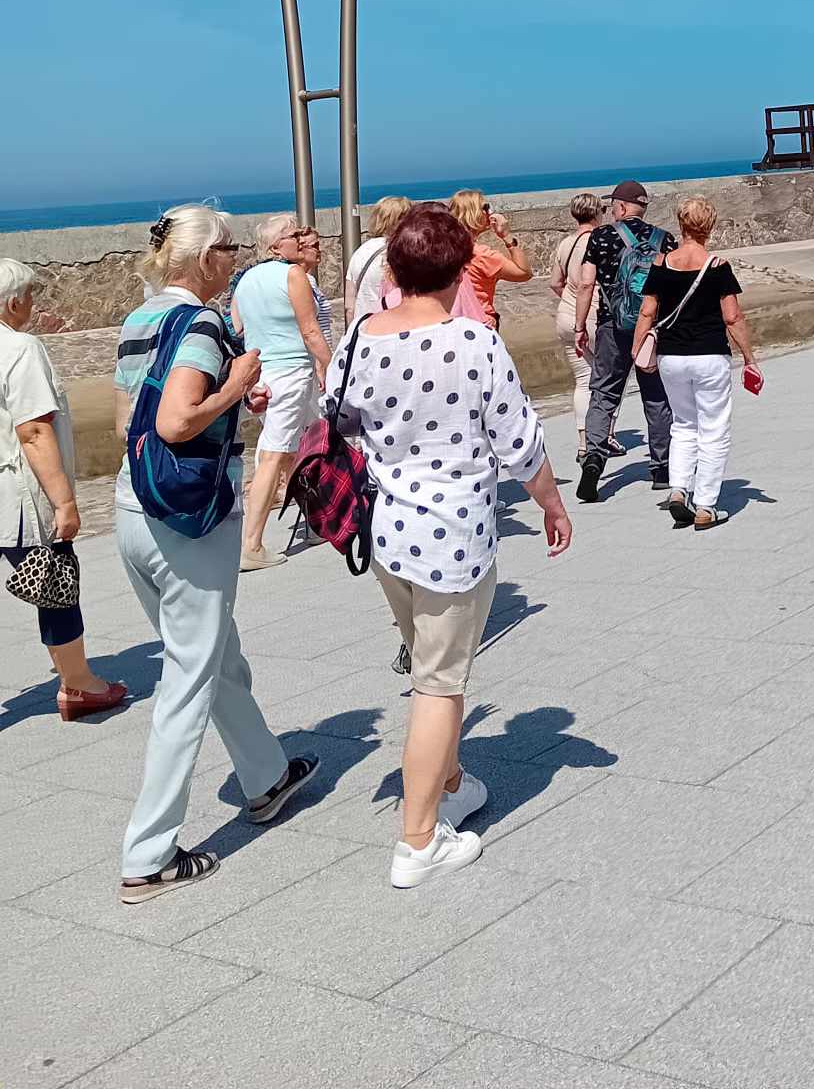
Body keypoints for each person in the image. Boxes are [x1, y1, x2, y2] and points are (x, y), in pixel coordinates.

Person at [330, 204, 571, 886]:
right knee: (439, 686)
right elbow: (519, 441)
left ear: (395, 268)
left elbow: (337, 415)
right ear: (460, 268)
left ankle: (453, 782)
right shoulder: (473, 342)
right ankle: (417, 842)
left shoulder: (361, 337)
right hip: (453, 538)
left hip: (386, 532)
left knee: (426, 662)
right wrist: (551, 503)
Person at [115, 205, 318, 904]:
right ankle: (148, 855)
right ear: (205, 259)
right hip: (190, 519)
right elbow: (175, 421)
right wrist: (232, 388)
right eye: (230, 249)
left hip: (134, 507)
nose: (235, 261)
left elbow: (131, 420)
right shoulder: (201, 323)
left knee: (213, 653)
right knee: (187, 679)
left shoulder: (139, 319)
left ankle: (266, 776)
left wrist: (227, 400)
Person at [0, 258, 128, 720]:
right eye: (30, 296)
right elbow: (33, 430)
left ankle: (76, 682)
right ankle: (78, 684)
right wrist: (65, 502)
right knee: (54, 581)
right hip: (15, 494)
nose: (33, 304)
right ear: (13, 303)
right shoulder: (20, 348)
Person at [632, 197, 758, 531]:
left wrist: (636, 350)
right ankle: (705, 506)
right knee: (713, 429)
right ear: (710, 226)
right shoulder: (717, 266)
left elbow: (647, 310)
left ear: (681, 224)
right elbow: (732, 317)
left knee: (683, 424)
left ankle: (678, 489)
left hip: (671, 357)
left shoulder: (662, 263)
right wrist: (749, 357)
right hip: (709, 355)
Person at [232, 213, 331, 572]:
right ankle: (252, 543)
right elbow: (311, 331)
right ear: (275, 246)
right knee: (274, 455)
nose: (300, 239)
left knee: (298, 448)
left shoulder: (245, 281)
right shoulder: (293, 275)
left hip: (264, 374)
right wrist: (332, 365)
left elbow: (238, 328)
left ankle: (316, 521)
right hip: (292, 372)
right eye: (293, 235)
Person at [574, 182, 677, 504]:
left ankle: (594, 457)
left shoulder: (600, 237)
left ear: (620, 207)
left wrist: (579, 326)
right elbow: (673, 286)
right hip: (651, 328)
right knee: (656, 396)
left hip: (612, 326)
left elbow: (586, 284)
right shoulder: (664, 239)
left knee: (604, 393)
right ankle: (661, 469)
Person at [551, 192, 604, 461]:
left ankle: (584, 442)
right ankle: (604, 436)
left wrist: (571, 302)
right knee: (607, 378)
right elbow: (590, 283)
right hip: (593, 316)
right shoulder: (600, 241)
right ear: (597, 213)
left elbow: (555, 283)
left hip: (565, 316)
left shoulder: (565, 244)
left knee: (583, 379)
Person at [446, 189, 533, 334]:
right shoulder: (482, 255)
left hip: (452, 320)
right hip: (480, 321)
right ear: (474, 214)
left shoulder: (444, 249)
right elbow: (524, 273)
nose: (489, 212)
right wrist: (506, 236)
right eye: (485, 207)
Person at [345, 197, 412, 324]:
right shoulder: (400, 252)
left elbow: (349, 306)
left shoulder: (360, 251)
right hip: (391, 325)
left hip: (364, 326)